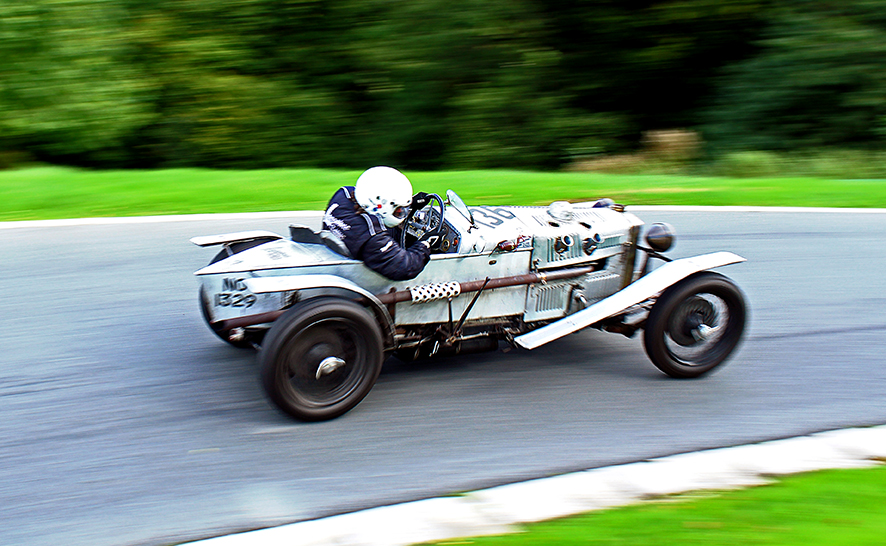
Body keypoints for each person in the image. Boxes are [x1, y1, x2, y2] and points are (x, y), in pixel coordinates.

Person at [323, 166, 440, 281]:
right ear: (382, 208)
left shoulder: (344, 195)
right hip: (361, 278)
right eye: (399, 210)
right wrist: (425, 244)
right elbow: (405, 267)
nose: (401, 213)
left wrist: (410, 203)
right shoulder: (372, 237)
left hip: (334, 250)